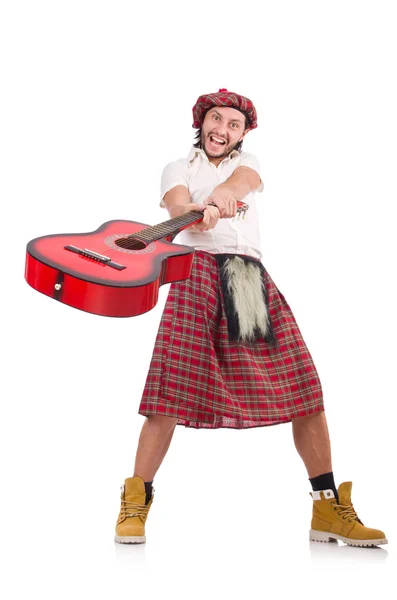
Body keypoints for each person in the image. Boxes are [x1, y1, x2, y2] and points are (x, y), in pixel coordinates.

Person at [114, 89, 387, 548]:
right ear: (201, 124)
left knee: (305, 390)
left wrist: (221, 198)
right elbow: (179, 205)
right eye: (215, 120)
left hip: (247, 278)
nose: (222, 129)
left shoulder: (250, 163)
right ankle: (135, 501)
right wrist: (192, 216)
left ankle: (327, 508)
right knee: (169, 394)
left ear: (242, 134)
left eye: (233, 124)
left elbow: (238, 184)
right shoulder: (177, 168)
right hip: (194, 275)